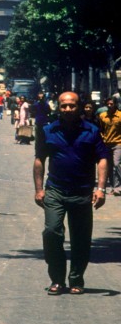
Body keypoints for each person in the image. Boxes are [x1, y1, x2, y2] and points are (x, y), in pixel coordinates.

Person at [34, 91, 108, 295]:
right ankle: (57, 279)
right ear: (58, 107)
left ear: (79, 107)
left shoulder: (92, 131)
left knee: (81, 238)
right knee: (52, 232)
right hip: (55, 190)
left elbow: (102, 159)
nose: (67, 109)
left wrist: (101, 189)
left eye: (72, 105)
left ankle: (76, 279)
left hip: (82, 193)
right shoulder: (48, 130)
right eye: (63, 105)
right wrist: (39, 189)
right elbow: (39, 159)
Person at [98, 98, 121, 196]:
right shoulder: (103, 116)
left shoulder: (120, 115)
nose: (109, 105)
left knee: (116, 164)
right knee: (109, 166)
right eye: (108, 104)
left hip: (118, 143)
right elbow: (101, 129)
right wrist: (102, 137)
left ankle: (118, 187)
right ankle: (113, 187)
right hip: (106, 143)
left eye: (111, 104)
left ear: (115, 104)